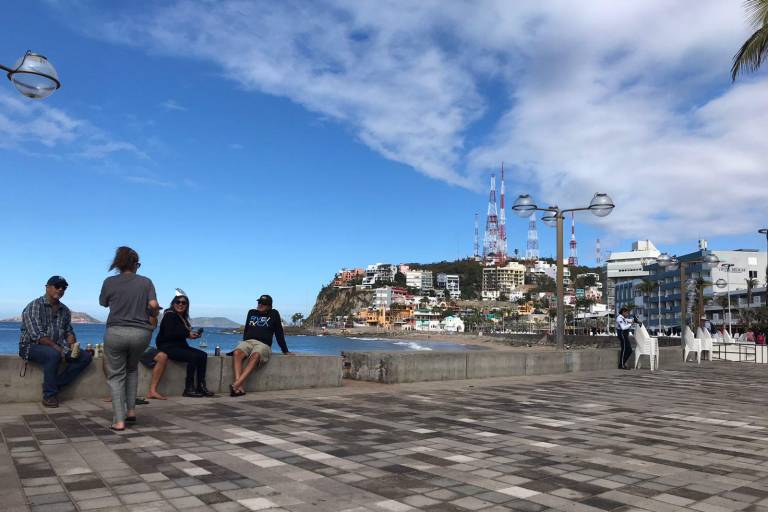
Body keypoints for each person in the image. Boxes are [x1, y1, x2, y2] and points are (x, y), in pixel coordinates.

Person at [99, 247, 160, 431]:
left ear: (117, 264)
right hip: (141, 334)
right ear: (134, 264)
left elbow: (103, 303)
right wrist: (152, 310)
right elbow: (153, 306)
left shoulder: (110, 281)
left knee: (116, 376)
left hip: (116, 332)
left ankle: (119, 420)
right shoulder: (146, 282)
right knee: (132, 369)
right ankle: (131, 411)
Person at [18, 276, 93, 408]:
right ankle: (49, 394)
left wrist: (71, 338)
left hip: (57, 347)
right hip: (30, 346)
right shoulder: (34, 306)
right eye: (57, 286)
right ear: (47, 287)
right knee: (53, 354)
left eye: (63, 287)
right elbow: (37, 335)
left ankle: (56, 383)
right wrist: (58, 349)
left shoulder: (65, 310)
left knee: (85, 356)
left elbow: (68, 330)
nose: (60, 289)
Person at [229, 294, 293, 397]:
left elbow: (279, 333)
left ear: (269, 306)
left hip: (263, 344)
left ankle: (236, 384)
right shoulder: (251, 312)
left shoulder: (274, 314)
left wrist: (285, 350)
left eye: (263, 303)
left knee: (255, 356)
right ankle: (238, 386)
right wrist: (243, 343)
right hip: (248, 341)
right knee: (237, 352)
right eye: (259, 302)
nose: (260, 305)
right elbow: (246, 330)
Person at [156, 292, 214, 397]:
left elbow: (181, 333)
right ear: (173, 303)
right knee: (193, 357)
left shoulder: (181, 318)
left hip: (179, 346)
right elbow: (169, 332)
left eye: (184, 303)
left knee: (203, 355)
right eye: (178, 302)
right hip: (167, 346)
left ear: (187, 306)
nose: (181, 304)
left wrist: (192, 335)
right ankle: (189, 388)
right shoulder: (169, 315)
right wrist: (188, 334)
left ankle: (201, 386)